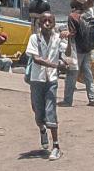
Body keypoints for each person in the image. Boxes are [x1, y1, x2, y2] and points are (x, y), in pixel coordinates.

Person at [26, 11, 67, 161]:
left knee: (51, 110)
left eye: (50, 21)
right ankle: (42, 129)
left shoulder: (57, 38)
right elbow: (36, 59)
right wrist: (54, 65)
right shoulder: (34, 38)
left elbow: (66, 52)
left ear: (54, 23)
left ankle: (56, 146)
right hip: (37, 79)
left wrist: (69, 39)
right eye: (44, 21)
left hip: (51, 80)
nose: (47, 24)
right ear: (39, 24)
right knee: (38, 112)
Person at [63, 0, 94, 107]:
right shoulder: (88, 15)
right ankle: (92, 99)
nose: (70, 2)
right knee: (88, 74)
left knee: (71, 74)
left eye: (73, 0)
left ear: (77, 3)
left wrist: (65, 34)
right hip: (87, 48)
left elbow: (73, 33)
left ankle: (67, 100)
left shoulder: (72, 16)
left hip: (76, 49)